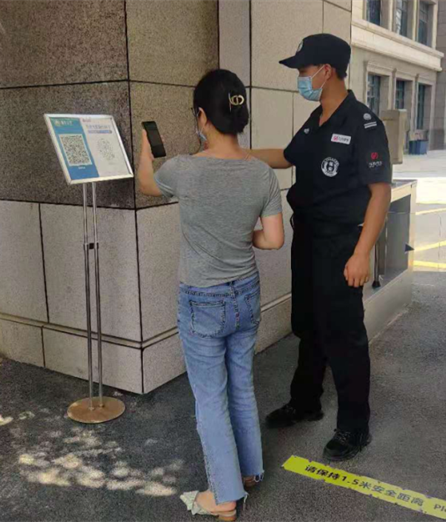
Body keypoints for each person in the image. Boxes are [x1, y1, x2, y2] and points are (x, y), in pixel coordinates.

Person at [138, 69, 285, 521]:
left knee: (210, 397)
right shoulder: (261, 173)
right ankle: (249, 471)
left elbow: (146, 184)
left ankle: (223, 496)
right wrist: (241, 236)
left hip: (202, 299)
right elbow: (273, 239)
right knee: (240, 384)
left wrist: (145, 147)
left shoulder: (183, 169)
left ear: (202, 116)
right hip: (246, 294)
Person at [248, 34, 392, 461]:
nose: (300, 76)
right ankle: (305, 401)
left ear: (326, 70)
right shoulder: (316, 118)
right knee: (308, 325)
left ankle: (354, 426)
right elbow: (287, 156)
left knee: (344, 336)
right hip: (308, 239)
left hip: (341, 244)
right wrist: (236, 153)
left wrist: (362, 253)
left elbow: (380, 193)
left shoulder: (363, 124)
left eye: (303, 69)